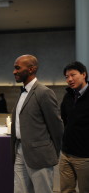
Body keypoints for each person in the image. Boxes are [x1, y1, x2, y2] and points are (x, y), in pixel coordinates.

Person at [11, 54, 64, 193]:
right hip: (19, 150)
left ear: (31, 69)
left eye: (17, 68)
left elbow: (57, 127)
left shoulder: (44, 92)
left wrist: (52, 152)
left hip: (40, 154)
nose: (14, 71)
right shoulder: (22, 92)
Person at [60, 61, 89, 193]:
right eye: (67, 76)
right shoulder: (68, 96)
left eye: (73, 75)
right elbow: (65, 120)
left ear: (84, 74)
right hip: (66, 154)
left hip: (85, 156)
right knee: (66, 190)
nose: (69, 79)